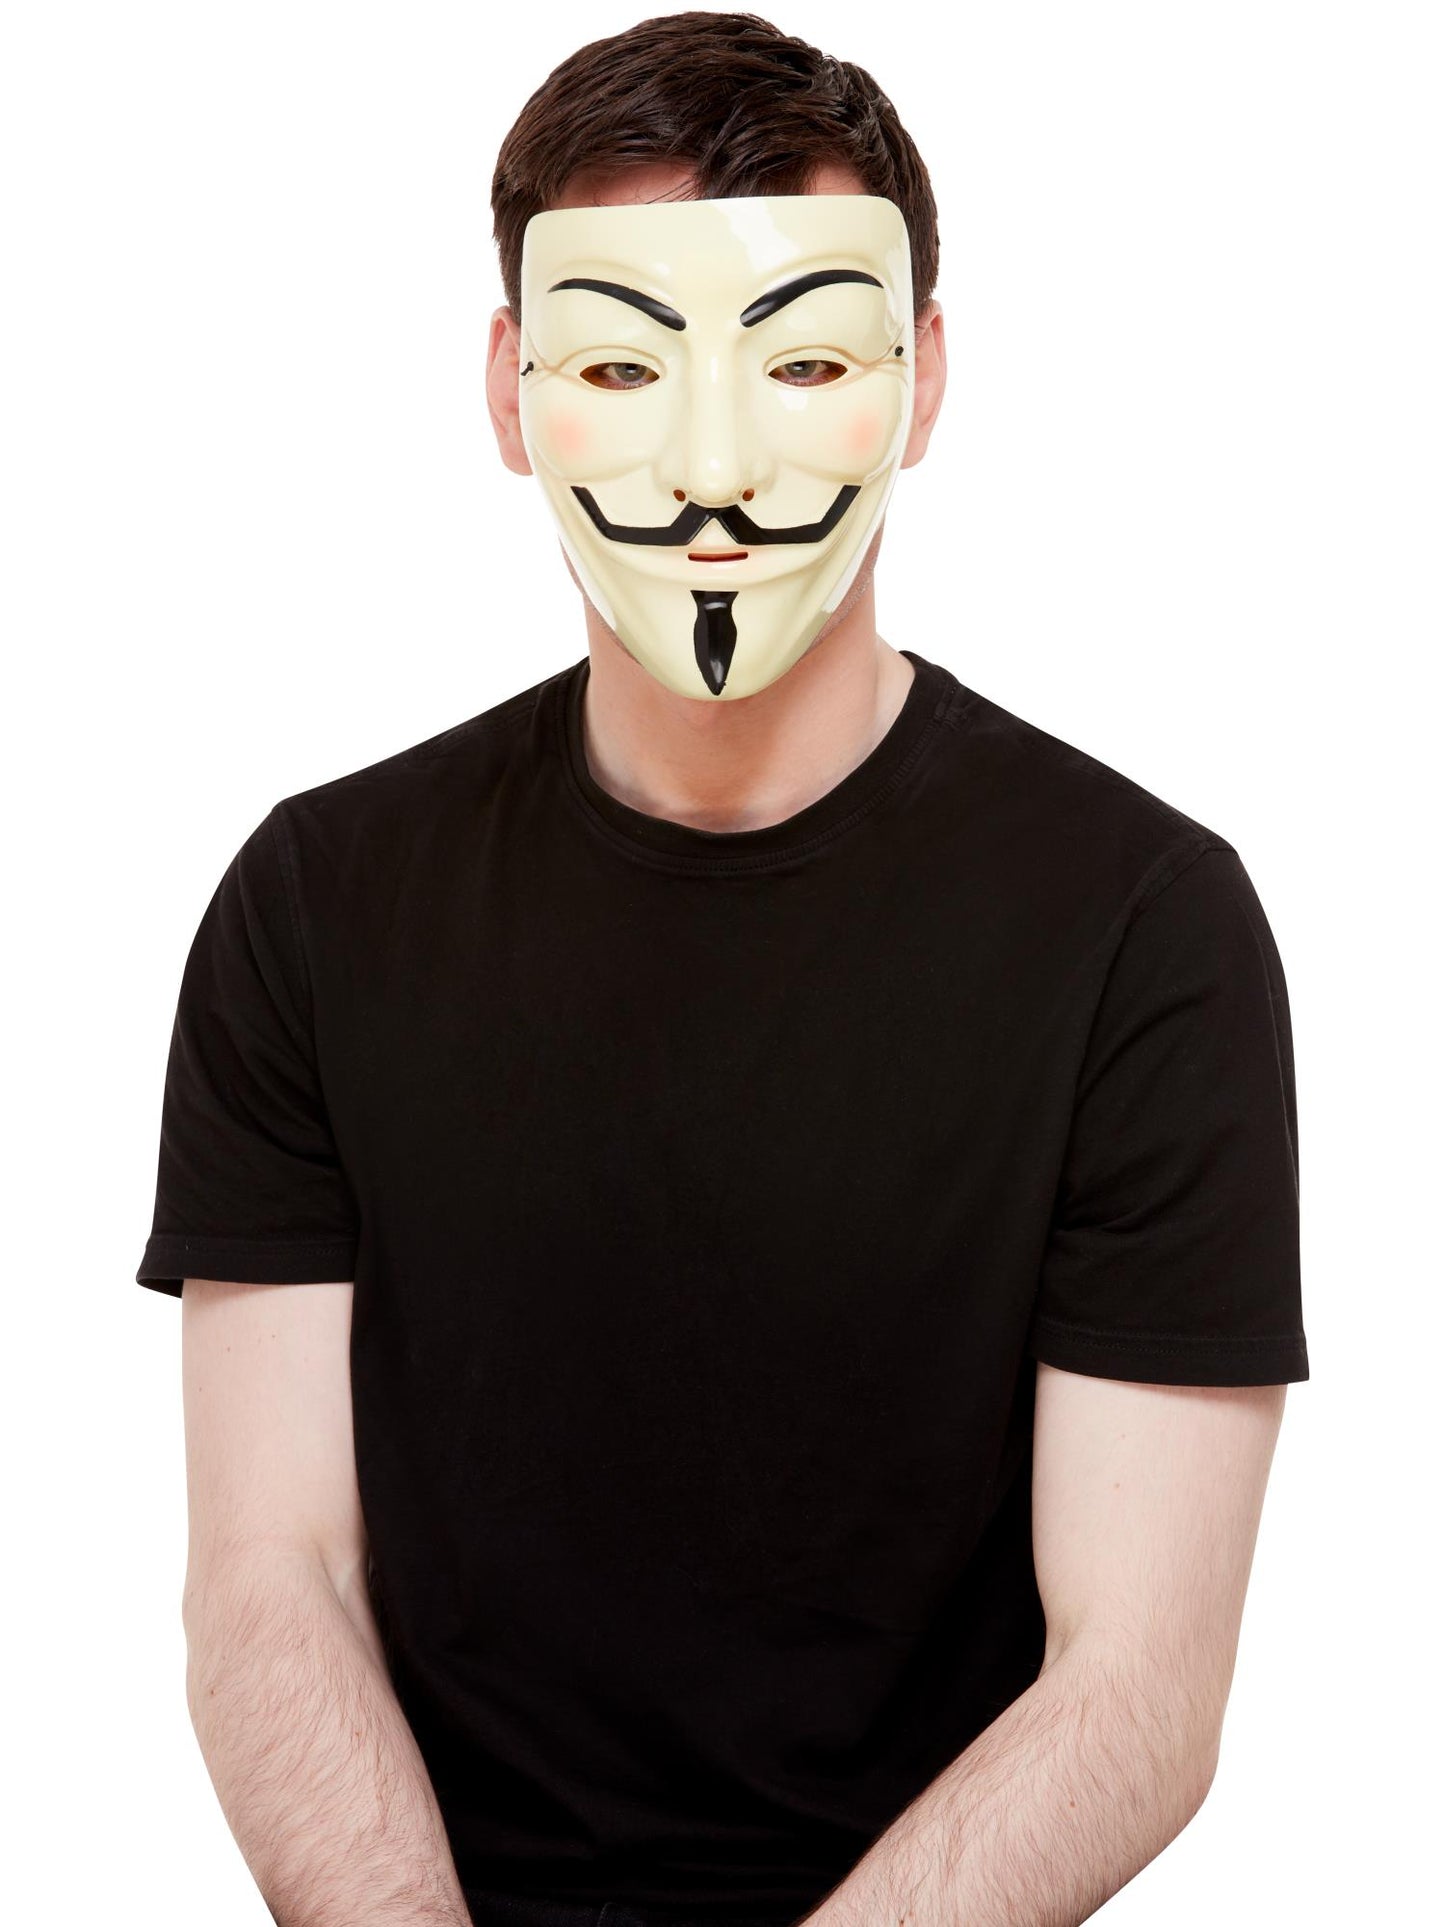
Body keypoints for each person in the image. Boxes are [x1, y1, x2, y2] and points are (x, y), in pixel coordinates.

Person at [136, 14, 1309, 1927]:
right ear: (510, 390)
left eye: (806, 364)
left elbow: (1138, 1685)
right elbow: (273, 1585)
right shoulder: (314, 902)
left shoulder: (1141, 926)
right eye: (617, 363)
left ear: (921, 381)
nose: (708, 468)